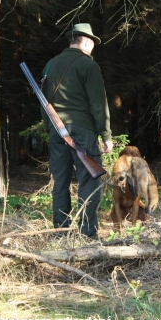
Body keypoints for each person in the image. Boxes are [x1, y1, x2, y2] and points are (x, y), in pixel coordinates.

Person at [41, 23, 113, 239]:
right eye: (92, 42)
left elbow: (43, 102)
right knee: (89, 181)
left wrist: (50, 127)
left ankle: (61, 232)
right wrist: (106, 135)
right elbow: (98, 103)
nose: (93, 46)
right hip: (82, 130)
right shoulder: (88, 65)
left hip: (57, 130)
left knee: (60, 181)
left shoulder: (50, 65)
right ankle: (87, 232)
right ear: (86, 41)